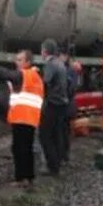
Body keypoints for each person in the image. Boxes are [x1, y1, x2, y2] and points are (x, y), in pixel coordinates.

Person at [0, 52, 43, 185]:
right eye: (16, 59)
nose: (16, 62)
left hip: (23, 117)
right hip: (27, 117)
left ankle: (21, 179)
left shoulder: (25, 74)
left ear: (27, 62)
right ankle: (28, 178)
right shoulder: (33, 75)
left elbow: (7, 74)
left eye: (19, 60)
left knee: (20, 148)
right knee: (25, 148)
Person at [38, 39, 69, 176]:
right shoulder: (60, 63)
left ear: (44, 51)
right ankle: (58, 163)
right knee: (57, 134)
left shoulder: (50, 64)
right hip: (61, 104)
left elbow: (44, 83)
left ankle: (52, 167)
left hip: (52, 104)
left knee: (45, 136)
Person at [60, 47, 81, 163]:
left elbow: (71, 89)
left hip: (65, 106)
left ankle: (64, 155)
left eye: (61, 56)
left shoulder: (69, 71)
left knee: (64, 131)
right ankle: (63, 155)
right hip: (66, 106)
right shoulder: (70, 71)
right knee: (64, 131)